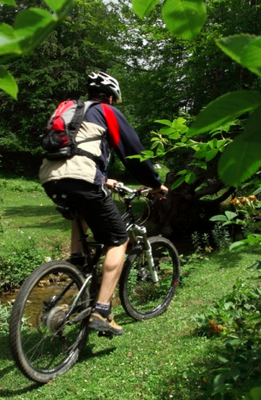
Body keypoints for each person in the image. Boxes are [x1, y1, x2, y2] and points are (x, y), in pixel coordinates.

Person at [39, 71, 168, 336]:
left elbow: (73, 152)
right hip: (82, 178)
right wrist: (155, 184)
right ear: (111, 97)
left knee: (81, 212)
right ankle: (102, 310)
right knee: (118, 240)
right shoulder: (106, 111)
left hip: (50, 178)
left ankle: (77, 264)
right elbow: (134, 154)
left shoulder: (72, 111)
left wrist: (104, 179)